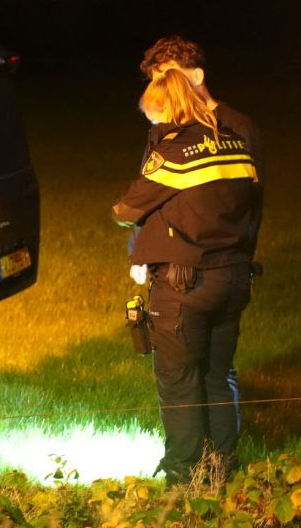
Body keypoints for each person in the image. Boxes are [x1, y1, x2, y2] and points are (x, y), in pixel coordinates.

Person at [111, 36, 263, 485]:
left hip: (184, 283)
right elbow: (249, 205)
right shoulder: (233, 142)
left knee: (179, 382)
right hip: (229, 277)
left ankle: (183, 478)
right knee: (215, 375)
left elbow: (128, 209)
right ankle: (221, 469)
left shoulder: (175, 149)